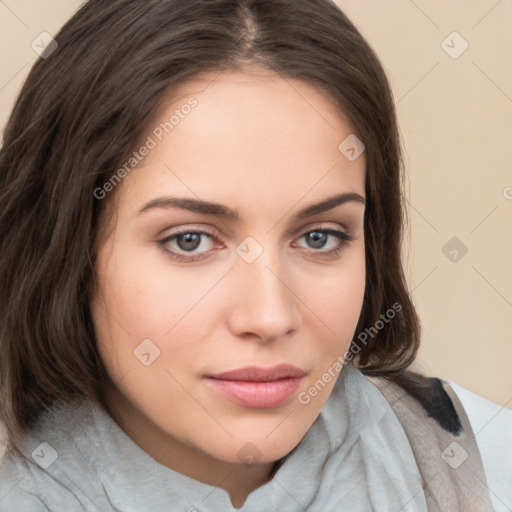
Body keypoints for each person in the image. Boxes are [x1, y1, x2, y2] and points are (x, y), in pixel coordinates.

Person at [0, 1, 510, 510]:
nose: (270, 316)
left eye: (319, 237)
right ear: (67, 250)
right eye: (190, 240)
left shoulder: (486, 463)